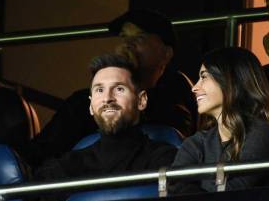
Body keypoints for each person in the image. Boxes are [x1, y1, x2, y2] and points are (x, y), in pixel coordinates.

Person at [17, 9, 197, 168]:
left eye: (139, 38)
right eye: (124, 37)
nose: (128, 44)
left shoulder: (176, 97)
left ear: (166, 53)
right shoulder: (81, 103)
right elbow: (41, 152)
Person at [34, 52, 177, 189]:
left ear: (141, 100)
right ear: (90, 106)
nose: (107, 98)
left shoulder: (165, 160)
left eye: (119, 89)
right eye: (99, 90)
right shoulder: (65, 168)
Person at [169, 47, 269, 194]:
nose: (195, 87)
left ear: (230, 80)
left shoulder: (262, 134)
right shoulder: (197, 142)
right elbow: (174, 187)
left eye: (204, 77)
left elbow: (235, 191)